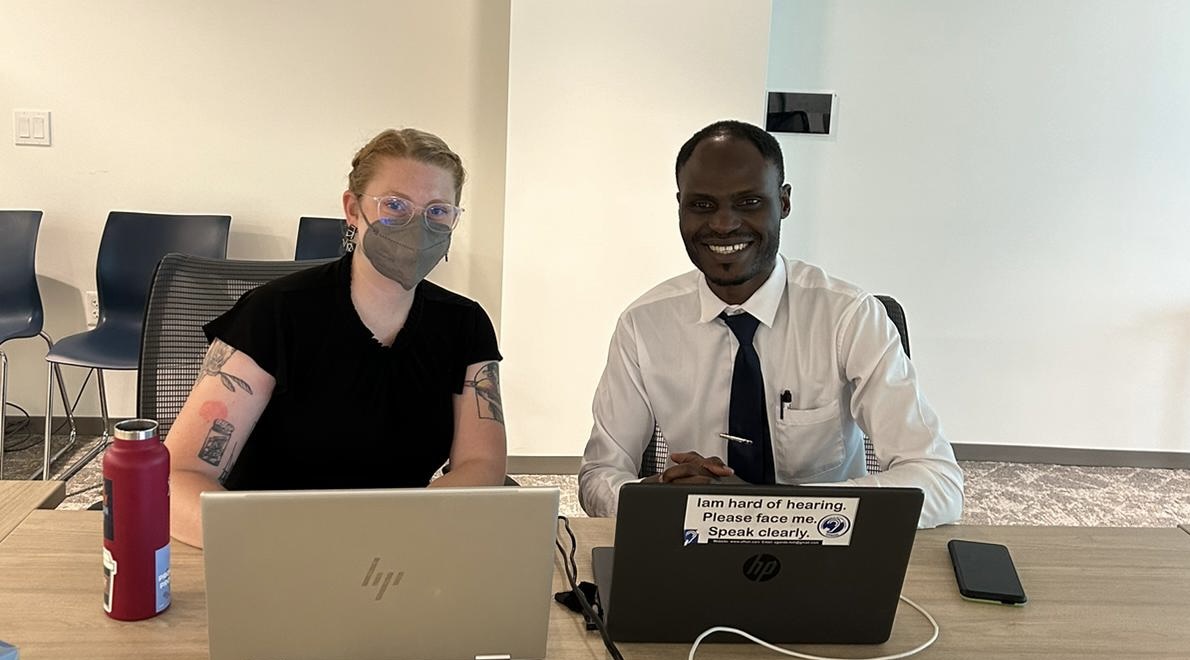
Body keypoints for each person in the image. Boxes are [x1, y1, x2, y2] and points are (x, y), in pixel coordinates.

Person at [578, 120, 963, 528]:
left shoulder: (849, 316)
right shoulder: (643, 325)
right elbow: (598, 477)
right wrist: (659, 497)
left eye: (748, 203)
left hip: (825, 544)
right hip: (689, 544)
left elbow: (938, 482)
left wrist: (763, 511)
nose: (724, 225)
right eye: (702, 205)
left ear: (783, 202)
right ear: (680, 206)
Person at [166, 128, 508, 548]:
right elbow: (179, 477)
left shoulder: (465, 324)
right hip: (272, 550)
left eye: (437, 211)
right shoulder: (273, 314)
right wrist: (288, 548)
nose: (417, 227)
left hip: (398, 553)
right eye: (395, 205)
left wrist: (409, 533)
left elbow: (481, 465)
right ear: (352, 209)